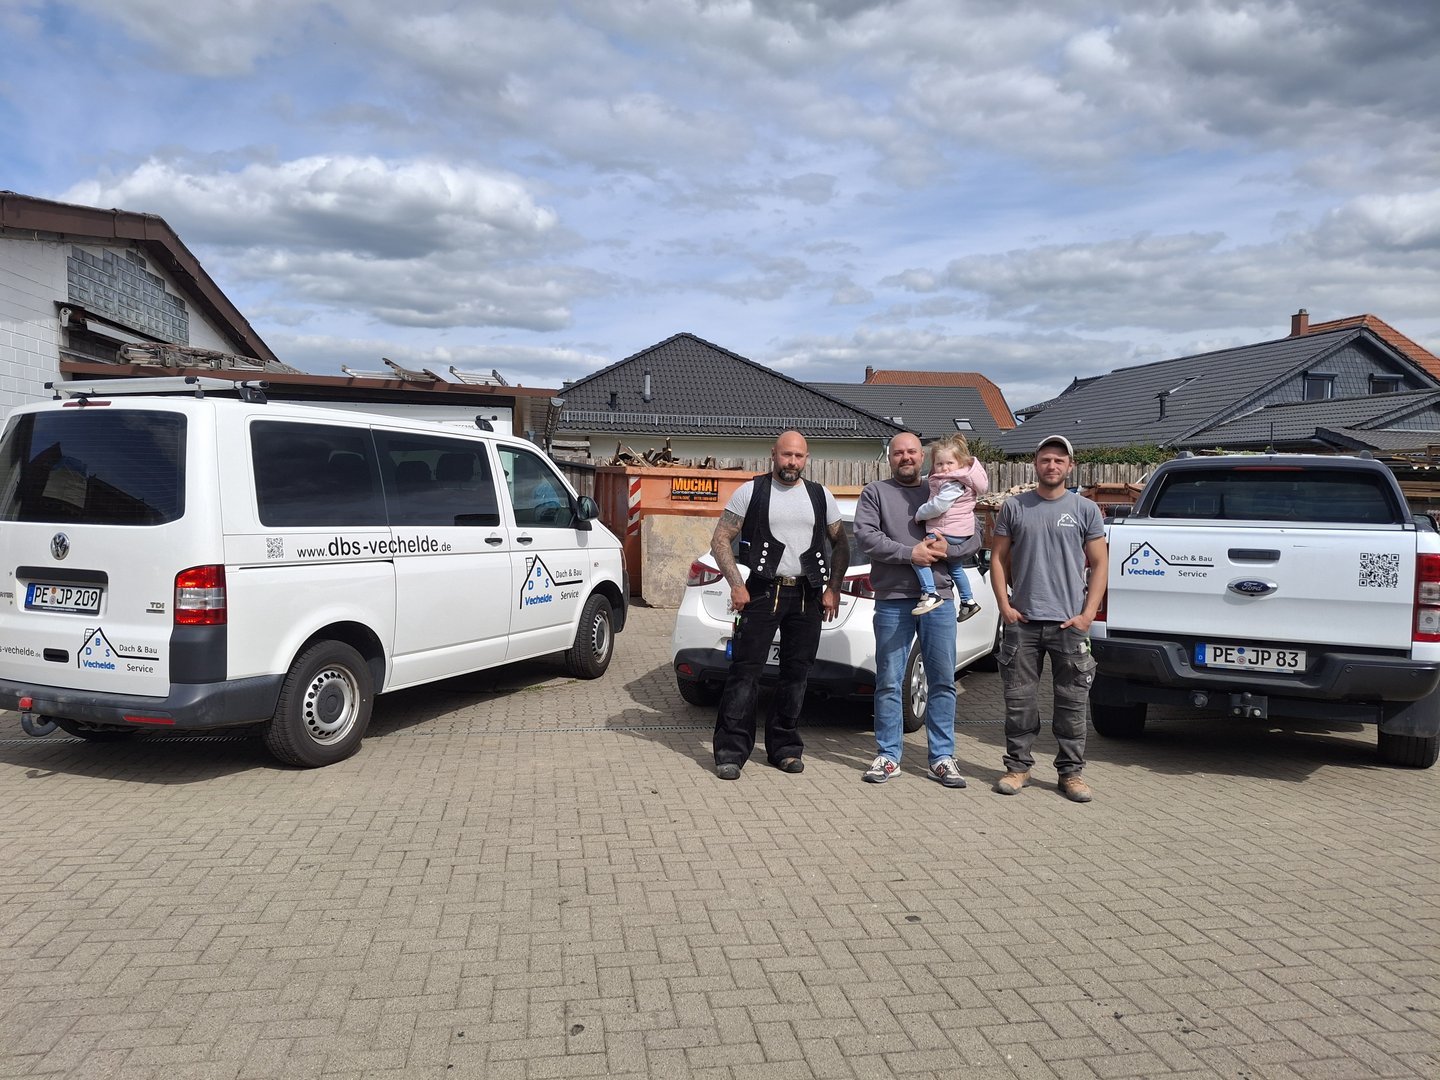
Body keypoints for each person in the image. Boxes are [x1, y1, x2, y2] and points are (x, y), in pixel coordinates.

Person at [709, 430, 848, 780]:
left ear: (807, 457)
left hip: (808, 594)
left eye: (799, 456)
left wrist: (833, 587)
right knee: (745, 672)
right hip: (762, 591)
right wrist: (737, 585)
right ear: (773, 454)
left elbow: (840, 542)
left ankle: (784, 748)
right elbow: (720, 538)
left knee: (796, 674)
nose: (792, 462)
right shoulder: (752, 491)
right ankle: (731, 751)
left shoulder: (819, 495)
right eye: (787, 455)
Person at [988, 434, 1108, 803]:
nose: (1051, 466)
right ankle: (1017, 767)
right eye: (1045, 460)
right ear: (1036, 465)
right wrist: (1005, 607)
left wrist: (1088, 615)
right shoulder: (1015, 508)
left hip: (1069, 624)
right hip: (1022, 622)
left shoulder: (1085, 510)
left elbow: (1101, 563)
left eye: (1059, 460)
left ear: (1069, 466)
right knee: (1019, 701)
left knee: (1072, 703)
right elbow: (997, 558)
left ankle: (1071, 774)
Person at [852, 432, 973, 788]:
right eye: (898, 453)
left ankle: (942, 757)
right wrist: (911, 554)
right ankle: (889, 756)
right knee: (888, 680)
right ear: (889, 457)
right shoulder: (875, 493)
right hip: (893, 599)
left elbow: (975, 533)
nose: (905, 457)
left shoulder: (945, 485)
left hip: (940, 599)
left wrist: (947, 552)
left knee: (942, 680)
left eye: (911, 452)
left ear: (922, 456)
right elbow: (866, 537)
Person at [911, 435, 990, 620]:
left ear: (960, 463)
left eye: (949, 463)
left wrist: (920, 514)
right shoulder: (953, 478)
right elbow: (931, 482)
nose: (944, 468)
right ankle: (968, 602)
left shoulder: (954, 482)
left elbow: (939, 506)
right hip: (960, 532)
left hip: (946, 531)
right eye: (939, 464)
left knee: (919, 558)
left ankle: (930, 593)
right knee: (955, 569)